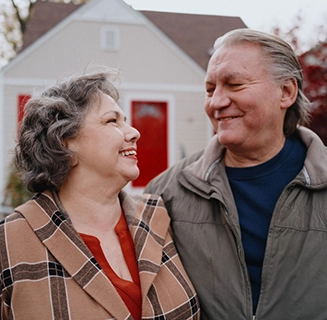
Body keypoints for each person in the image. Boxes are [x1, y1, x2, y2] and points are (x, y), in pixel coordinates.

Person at [145, 28, 327, 320]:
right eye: (209, 89)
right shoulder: (166, 192)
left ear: (286, 92)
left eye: (234, 84)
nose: (216, 102)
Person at [0, 70, 200, 320]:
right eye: (112, 121)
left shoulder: (158, 215)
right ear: (64, 142)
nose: (134, 132)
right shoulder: (9, 241)